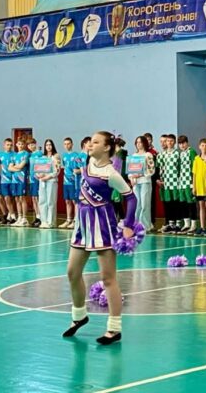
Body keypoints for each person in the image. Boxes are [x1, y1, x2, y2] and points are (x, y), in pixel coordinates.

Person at [63, 130, 137, 345]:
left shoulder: (111, 173)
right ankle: (79, 315)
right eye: (90, 142)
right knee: (72, 272)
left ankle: (114, 328)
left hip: (103, 224)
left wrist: (128, 225)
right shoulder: (88, 164)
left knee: (108, 278)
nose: (90, 145)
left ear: (106, 147)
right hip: (82, 225)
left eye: (95, 142)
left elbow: (131, 198)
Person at [129, 135, 155, 231]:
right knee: (137, 203)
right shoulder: (134, 156)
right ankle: (136, 224)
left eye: (140, 142)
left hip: (145, 182)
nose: (138, 144)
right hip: (136, 183)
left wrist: (140, 174)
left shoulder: (148, 155)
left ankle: (145, 225)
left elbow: (151, 170)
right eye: (137, 142)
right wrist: (131, 178)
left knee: (145, 204)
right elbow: (130, 171)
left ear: (144, 143)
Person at [36, 139, 61, 229]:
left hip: (51, 181)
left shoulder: (56, 156)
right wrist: (39, 175)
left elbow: (57, 171)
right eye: (47, 145)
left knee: (51, 201)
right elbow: (38, 170)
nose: (48, 146)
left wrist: (48, 177)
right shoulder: (42, 158)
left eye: (50, 145)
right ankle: (44, 221)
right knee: (42, 201)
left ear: (52, 146)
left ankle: (51, 222)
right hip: (42, 182)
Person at [192, 138, 206, 235]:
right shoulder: (196, 159)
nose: (204, 147)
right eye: (202, 145)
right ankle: (202, 227)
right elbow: (194, 174)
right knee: (201, 206)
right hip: (199, 187)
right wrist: (194, 187)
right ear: (199, 147)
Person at [60, 137, 80, 229]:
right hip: (65, 182)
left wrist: (77, 172)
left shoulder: (76, 155)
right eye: (65, 144)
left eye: (68, 144)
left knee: (74, 201)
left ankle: (76, 220)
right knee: (67, 201)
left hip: (73, 182)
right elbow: (64, 167)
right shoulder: (63, 155)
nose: (67, 145)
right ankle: (68, 220)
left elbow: (80, 166)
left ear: (72, 144)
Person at [8, 138, 29, 227]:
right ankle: (19, 217)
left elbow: (21, 166)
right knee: (16, 198)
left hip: (22, 179)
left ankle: (24, 218)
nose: (20, 146)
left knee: (22, 198)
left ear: (24, 145)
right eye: (19, 144)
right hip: (14, 180)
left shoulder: (26, 154)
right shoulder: (14, 155)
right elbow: (9, 168)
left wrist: (15, 167)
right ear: (16, 144)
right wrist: (17, 168)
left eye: (22, 144)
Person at [27, 137, 44, 226]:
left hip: (38, 179)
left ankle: (41, 217)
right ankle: (37, 216)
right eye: (29, 145)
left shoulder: (39, 154)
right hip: (31, 180)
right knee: (33, 198)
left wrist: (40, 175)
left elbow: (44, 165)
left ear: (35, 144)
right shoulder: (30, 155)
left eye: (32, 144)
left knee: (38, 198)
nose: (31, 146)